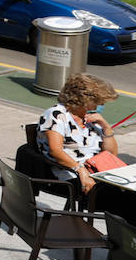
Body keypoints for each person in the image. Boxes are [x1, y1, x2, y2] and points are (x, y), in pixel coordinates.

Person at [35, 74, 136, 220]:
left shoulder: (90, 119)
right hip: (71, 175)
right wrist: (81, 170)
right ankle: (124, 239)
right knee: (128, 201)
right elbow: (55, 151)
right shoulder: (57, 114)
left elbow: (111, 154)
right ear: (86, 99)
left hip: (98, 172)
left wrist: (106, 127)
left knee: (130, 197)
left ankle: (124, 238)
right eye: (99, 101)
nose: (102, 105)